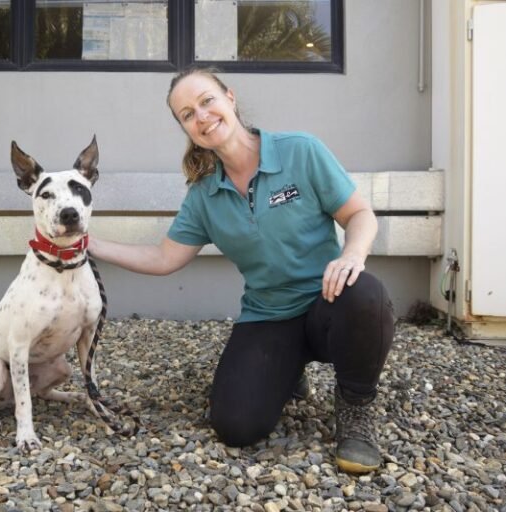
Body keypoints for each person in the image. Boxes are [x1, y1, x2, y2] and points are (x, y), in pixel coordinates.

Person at [89, 67, 394, 474]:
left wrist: (352, 254)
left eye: (206, 101)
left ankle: (356, 409)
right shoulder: (204, 194)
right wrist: (86, 243)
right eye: (186, 114)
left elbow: (359, 214)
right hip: (270, 316)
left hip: (329, 303)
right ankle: (288, 371)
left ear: (229, 98)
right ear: (185, 128)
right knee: (236, 426)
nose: (201, 115)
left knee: (366, 294)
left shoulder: (299, 151)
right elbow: (164, 258)